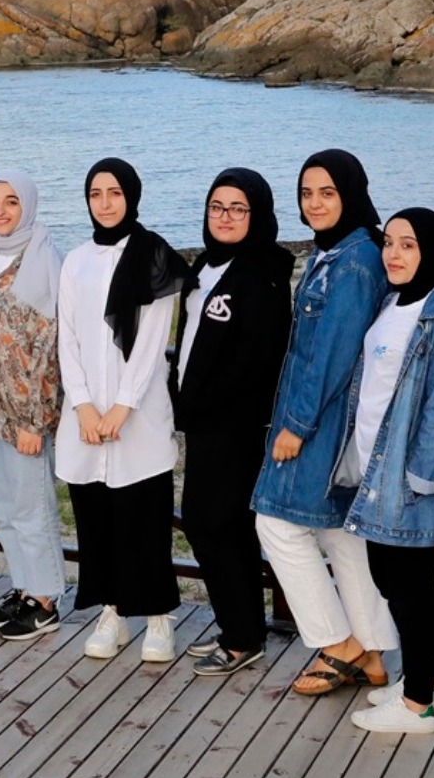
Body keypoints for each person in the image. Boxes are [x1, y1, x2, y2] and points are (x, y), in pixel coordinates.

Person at [251, 149, 398, 697]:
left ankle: (336, 644)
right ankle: (374, 652)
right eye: (307, 193)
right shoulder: (336, 251)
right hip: (338, 423)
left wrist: (296, 424)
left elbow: (332, 353)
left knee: (276, 522)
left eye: (327, 193)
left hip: (323, 422)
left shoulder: (355, 261)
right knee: (341, 532)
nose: (314, 203)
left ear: (351, 193)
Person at [342, 208, 434, 736]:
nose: (393, 254)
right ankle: (427, 680)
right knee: (389, 580)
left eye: (408, 245)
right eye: (389, 243)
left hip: (409, 478)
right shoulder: (393, 300)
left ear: (432, 252)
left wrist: (421, 478)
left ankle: (419, 707)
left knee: (411, 589)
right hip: (375, 469)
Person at [57, 157, 186, 662]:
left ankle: (157, 617)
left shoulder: (155, 256)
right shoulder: (76, 260)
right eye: (95, 194)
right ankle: (112, 611)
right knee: (97, 518)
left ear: (131, 195)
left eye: (114, 192)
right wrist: (85, 406)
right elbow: (66, 336)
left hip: (139, 416)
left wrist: (123, 407)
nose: (105, 203)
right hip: (86, 417)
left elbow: (154, 342)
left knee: (145, 518)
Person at [170, 168, 292, 676]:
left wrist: (196, 404)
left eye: (237, 209)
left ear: (257, 215)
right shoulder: (210, 267)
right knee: (225, 526)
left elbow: (254, 361)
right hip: (204, 422)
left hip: (235, 424)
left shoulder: (261, 275)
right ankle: (240, 626)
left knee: (209, 522)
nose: (224, 217)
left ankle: (243, 635)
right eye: (217, 207)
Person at [0, 171, 66, 644]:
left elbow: (51, 348)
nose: (1, 211)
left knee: (32, 505)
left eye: (11, 202)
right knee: (2, 505)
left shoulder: (42, 260)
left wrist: (37, 420)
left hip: (25, 413)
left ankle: (45, 599)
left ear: (28, 205)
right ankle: (22, 587)